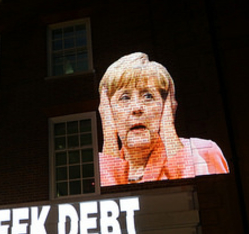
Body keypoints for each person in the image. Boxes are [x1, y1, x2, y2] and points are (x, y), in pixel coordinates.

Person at [98, 52, 229, 186]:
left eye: (148, 96)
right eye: (125, 98)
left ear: (166, 104)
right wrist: (109, 141)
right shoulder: (95, 171)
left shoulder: (203, 151)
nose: (137, 108)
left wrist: (169, 132)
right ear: (107, 110)